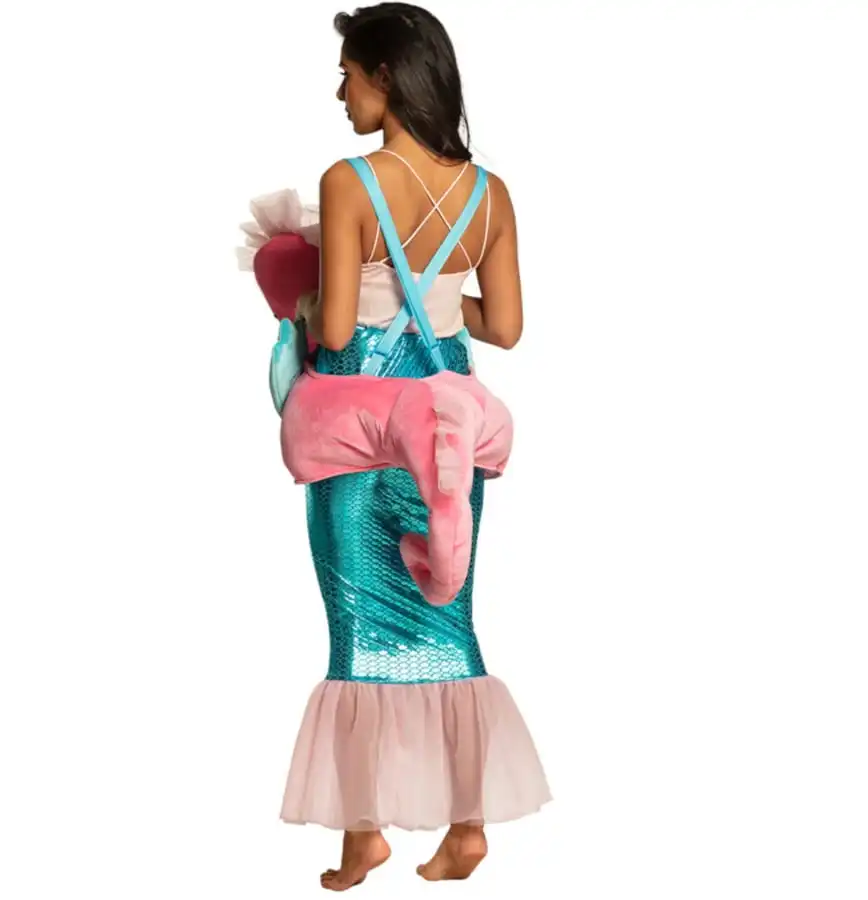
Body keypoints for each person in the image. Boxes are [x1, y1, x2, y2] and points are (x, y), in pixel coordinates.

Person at [275, 3, 551, 890]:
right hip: (448, 422)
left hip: (357, 429)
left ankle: (364, 834)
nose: (341, 93)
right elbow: (502, 325)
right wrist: (432, 299)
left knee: (358, 628)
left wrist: (306, 293)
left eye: (349, 74)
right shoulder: (490, 193)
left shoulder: (350, 181)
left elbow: (338, 329)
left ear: (387, 74)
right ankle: (468, 827)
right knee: (449, 616)